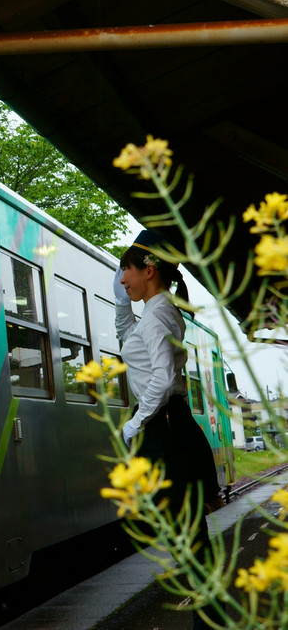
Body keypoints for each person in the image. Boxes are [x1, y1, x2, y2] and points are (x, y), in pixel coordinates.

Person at [114, 230, 222, 629]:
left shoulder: (158, 313)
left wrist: (135, 423)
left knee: (187, 537)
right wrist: (119, 278)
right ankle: (211, 620)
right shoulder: (157, 308)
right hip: (170, 428)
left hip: (166, 429)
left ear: (149, 269)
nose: (123, 279)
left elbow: (161, 378)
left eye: (127, 270)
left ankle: (211, 621)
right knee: (187, 535)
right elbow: (124, 327)